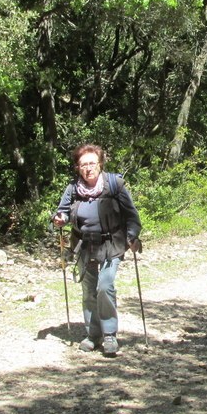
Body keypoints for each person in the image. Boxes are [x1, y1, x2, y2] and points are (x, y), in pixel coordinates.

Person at [52, 144, 142, 356]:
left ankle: (109, 334)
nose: (88, 168)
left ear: (100, 164)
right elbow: (62, 212)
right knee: (89, 290)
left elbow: (131, 214)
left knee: (105, 285)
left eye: (92, 163)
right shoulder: (73, 189)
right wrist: (59, 219)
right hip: (85, 245)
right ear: (78, 167)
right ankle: (93, 334)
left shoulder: (114, 185)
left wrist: (132, 235)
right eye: (83, 164)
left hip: (112, 243)